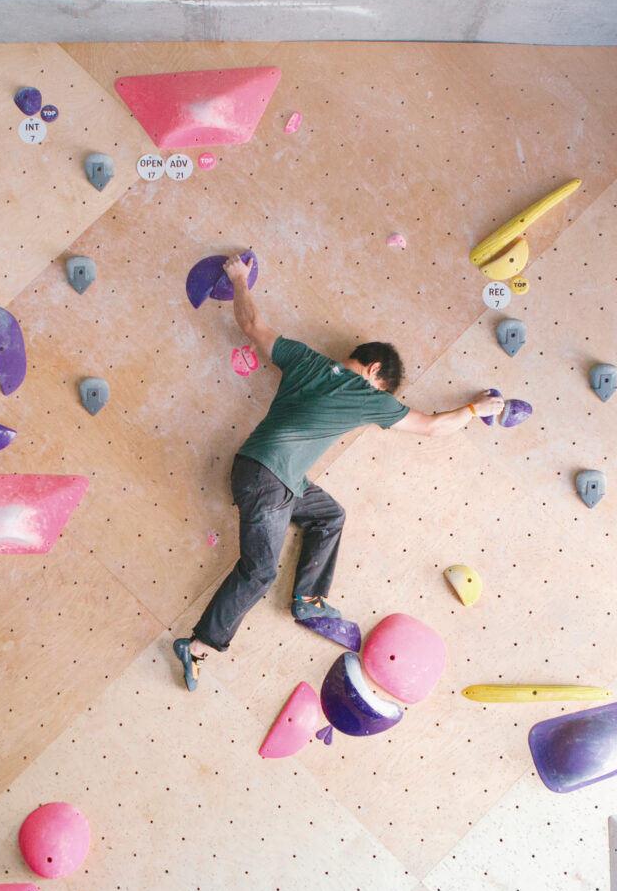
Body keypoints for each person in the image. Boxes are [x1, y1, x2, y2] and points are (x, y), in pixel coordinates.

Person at [174, 254, 504, 690]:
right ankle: (198, 644)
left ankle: (308, 600)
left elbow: (252, 324)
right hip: (270, 477)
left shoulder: (305, 360)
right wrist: (475, 409)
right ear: (374, 373)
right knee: (259, 572)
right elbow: (432, 426)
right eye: (383, 389)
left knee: (329, 515)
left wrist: (238, 279)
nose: (381, 398)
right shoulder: (367, 393)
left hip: (271, 473)